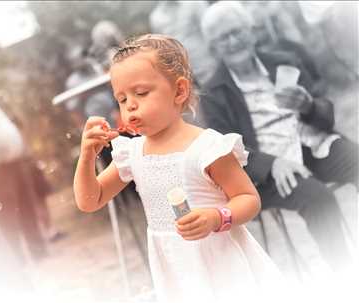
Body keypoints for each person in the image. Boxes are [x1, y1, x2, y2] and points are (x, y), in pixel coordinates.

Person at [73, 34, 285, 303]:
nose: (131, 106)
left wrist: (216, 217)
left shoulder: (207, 148)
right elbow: (91, 200)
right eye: (122, 100)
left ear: (179, 90)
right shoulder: (132, 153)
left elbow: (249, 200)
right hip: (177, 271)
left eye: (140, 93)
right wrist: (87, 157)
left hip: (223, 266)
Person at [199, 1, 357, 272]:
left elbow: (325, 116)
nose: (233, 41)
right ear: (214, 48)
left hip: (310, 146)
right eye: (223, 38)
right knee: (319, 199)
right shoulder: (215, 93)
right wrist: (271, 163)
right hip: (268, 171)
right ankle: (347, 274)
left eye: (236, 31)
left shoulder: (283, 61)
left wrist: (308, 105)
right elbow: (225, 150)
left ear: (251, 31)